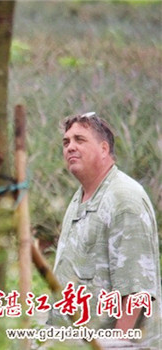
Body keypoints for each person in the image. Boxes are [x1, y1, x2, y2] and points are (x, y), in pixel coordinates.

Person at [50, 112, 161, 348]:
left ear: (103, 148)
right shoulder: (81, 195)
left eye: (80, 140)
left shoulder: (124, 198)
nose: (70, 147)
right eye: (66, 142)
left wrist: (116, 344)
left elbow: (136, 291)